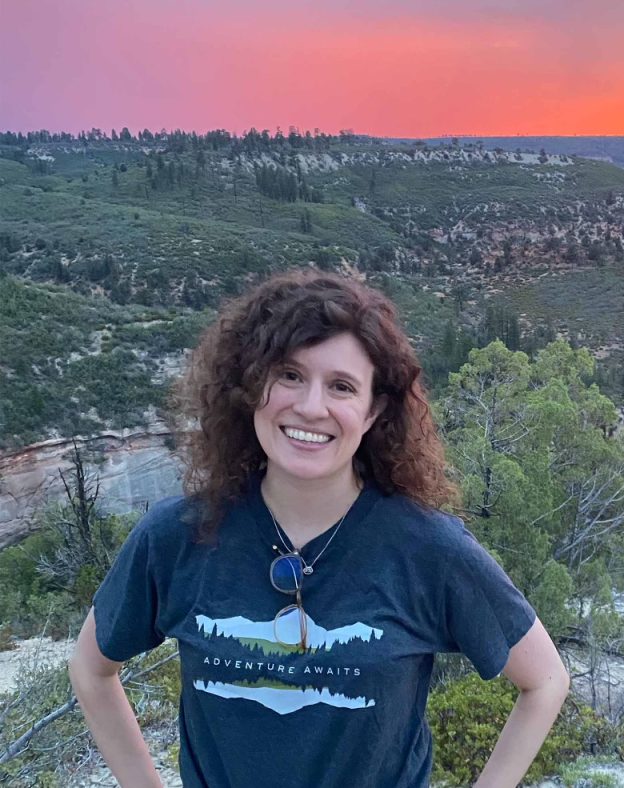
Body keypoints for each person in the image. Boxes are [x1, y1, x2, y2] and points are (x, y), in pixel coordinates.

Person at [69, 269, 570, 787]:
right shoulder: (176, 536)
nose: (310, 406)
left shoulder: (427, 548)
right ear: (250, 385)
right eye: (289, 375)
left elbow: (545, 680)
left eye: (341, 386)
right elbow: (91, 669)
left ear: (373, 410)